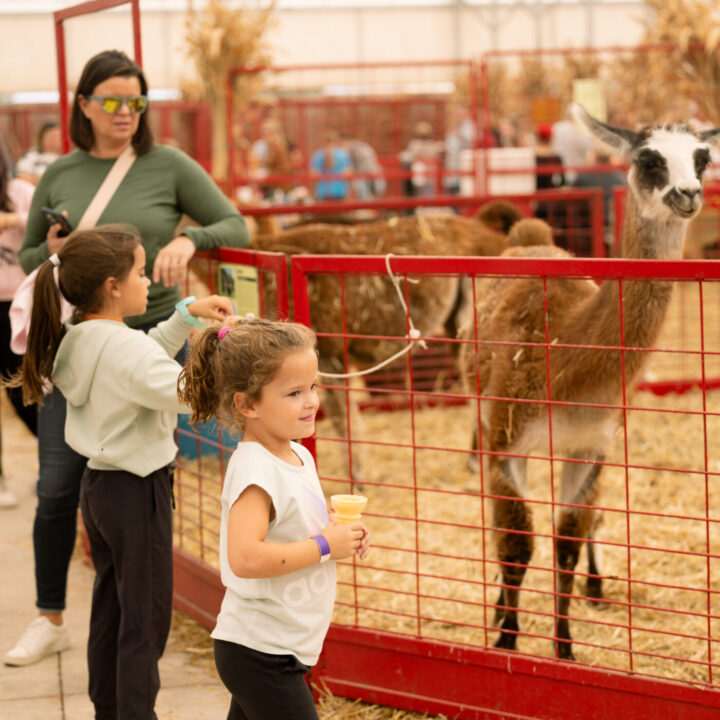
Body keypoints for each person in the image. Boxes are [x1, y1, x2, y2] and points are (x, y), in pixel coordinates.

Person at [5, 48, 249, 668]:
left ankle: (127, 635)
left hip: (150, 343)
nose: (124, 112)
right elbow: (31, 255)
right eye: (111, 100)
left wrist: (189, 238)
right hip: (80, 346)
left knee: (139, 476)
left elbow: (234, 224)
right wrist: (56, 250)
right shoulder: (60, 172)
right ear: (83, 105)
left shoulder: (167, 164)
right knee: (59, 486)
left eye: (135, 101)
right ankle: (50, 617)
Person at [7, 224, 233, 715]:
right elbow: (187, 393)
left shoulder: (79, 337)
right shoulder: (124, 351)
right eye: (140, 271)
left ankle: (108, 708)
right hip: (137, 492)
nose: (149, 281)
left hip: (100, 489)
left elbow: (140, 356)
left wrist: (183, 315)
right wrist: (224, 347)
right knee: (146, 620)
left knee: (112, 605)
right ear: (112, 286)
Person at [178, 317, 371, 719]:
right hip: (260, 652)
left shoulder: (297, 453)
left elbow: (294, 529)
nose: (312, 401)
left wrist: (339, 535)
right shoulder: (254, 471)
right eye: (294, 392)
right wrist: (323, 546)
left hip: (277, 645)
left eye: (313, 387)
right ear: (247, 404)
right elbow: (245, 559)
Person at [0, 139, 37, 508]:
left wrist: (12, 219)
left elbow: (46, 219)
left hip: (17, 303)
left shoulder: (20, 191)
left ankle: (53, 461)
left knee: (21, 389)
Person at [309, 131, 352, 201]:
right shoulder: (343, 154)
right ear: (336, 142)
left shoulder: (317, 155)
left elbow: (313, 174)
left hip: (322, 192)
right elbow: (348, 173)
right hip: (340, 191)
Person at [340, 133, 385, 200]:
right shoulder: (360, 145)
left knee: (365, 198)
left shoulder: (353, 148)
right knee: (373, 197)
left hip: (366, 174)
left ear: (345, 141)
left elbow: (351, 166)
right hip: (374, 173)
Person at [16, 120, 62, 184]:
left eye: (59, 137)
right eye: (52, 137)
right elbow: (21, 176)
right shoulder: (32, 155)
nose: (55, 141)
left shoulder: (65, 156)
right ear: (41, 137)